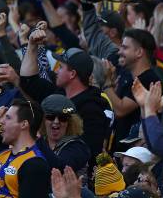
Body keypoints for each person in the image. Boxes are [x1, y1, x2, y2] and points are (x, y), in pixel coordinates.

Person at [20, 35, 109, 170]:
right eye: (51, 116)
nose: (56, 71)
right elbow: (28, 80)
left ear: (72, 74)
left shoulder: (92, 109)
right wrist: (32, 46)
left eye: (61, 67)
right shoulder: (58, 94)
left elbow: (90, 153)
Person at [36, 94, 91, 174]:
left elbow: (61, 168)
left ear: (70, 123)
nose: (56, 121)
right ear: (43, 120)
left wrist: (39, 142)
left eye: (62, 118)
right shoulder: (39, 142)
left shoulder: (78, 147)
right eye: (50, 117)